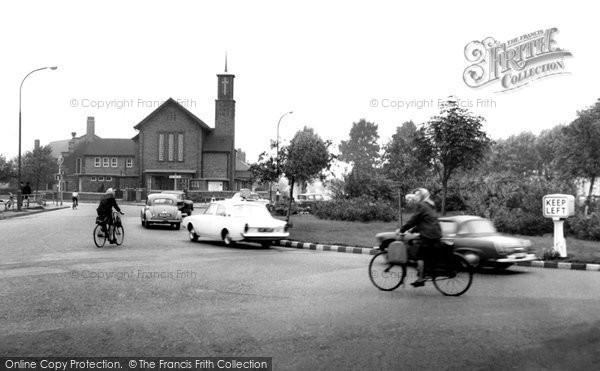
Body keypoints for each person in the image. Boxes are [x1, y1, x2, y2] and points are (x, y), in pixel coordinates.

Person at [400, 188, 442, 287]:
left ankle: (420, 279)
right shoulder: (430, 205)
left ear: (423, 196)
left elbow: (414, 219)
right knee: (419, 245)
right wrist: (413, 230)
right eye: (415, 195)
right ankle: (425, 271)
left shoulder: (422, 205)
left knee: (419, 255)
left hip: (429, 235)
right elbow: (424, 220)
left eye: (418, 195)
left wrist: (402, 229)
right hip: (436, 233)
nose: (416, 197)